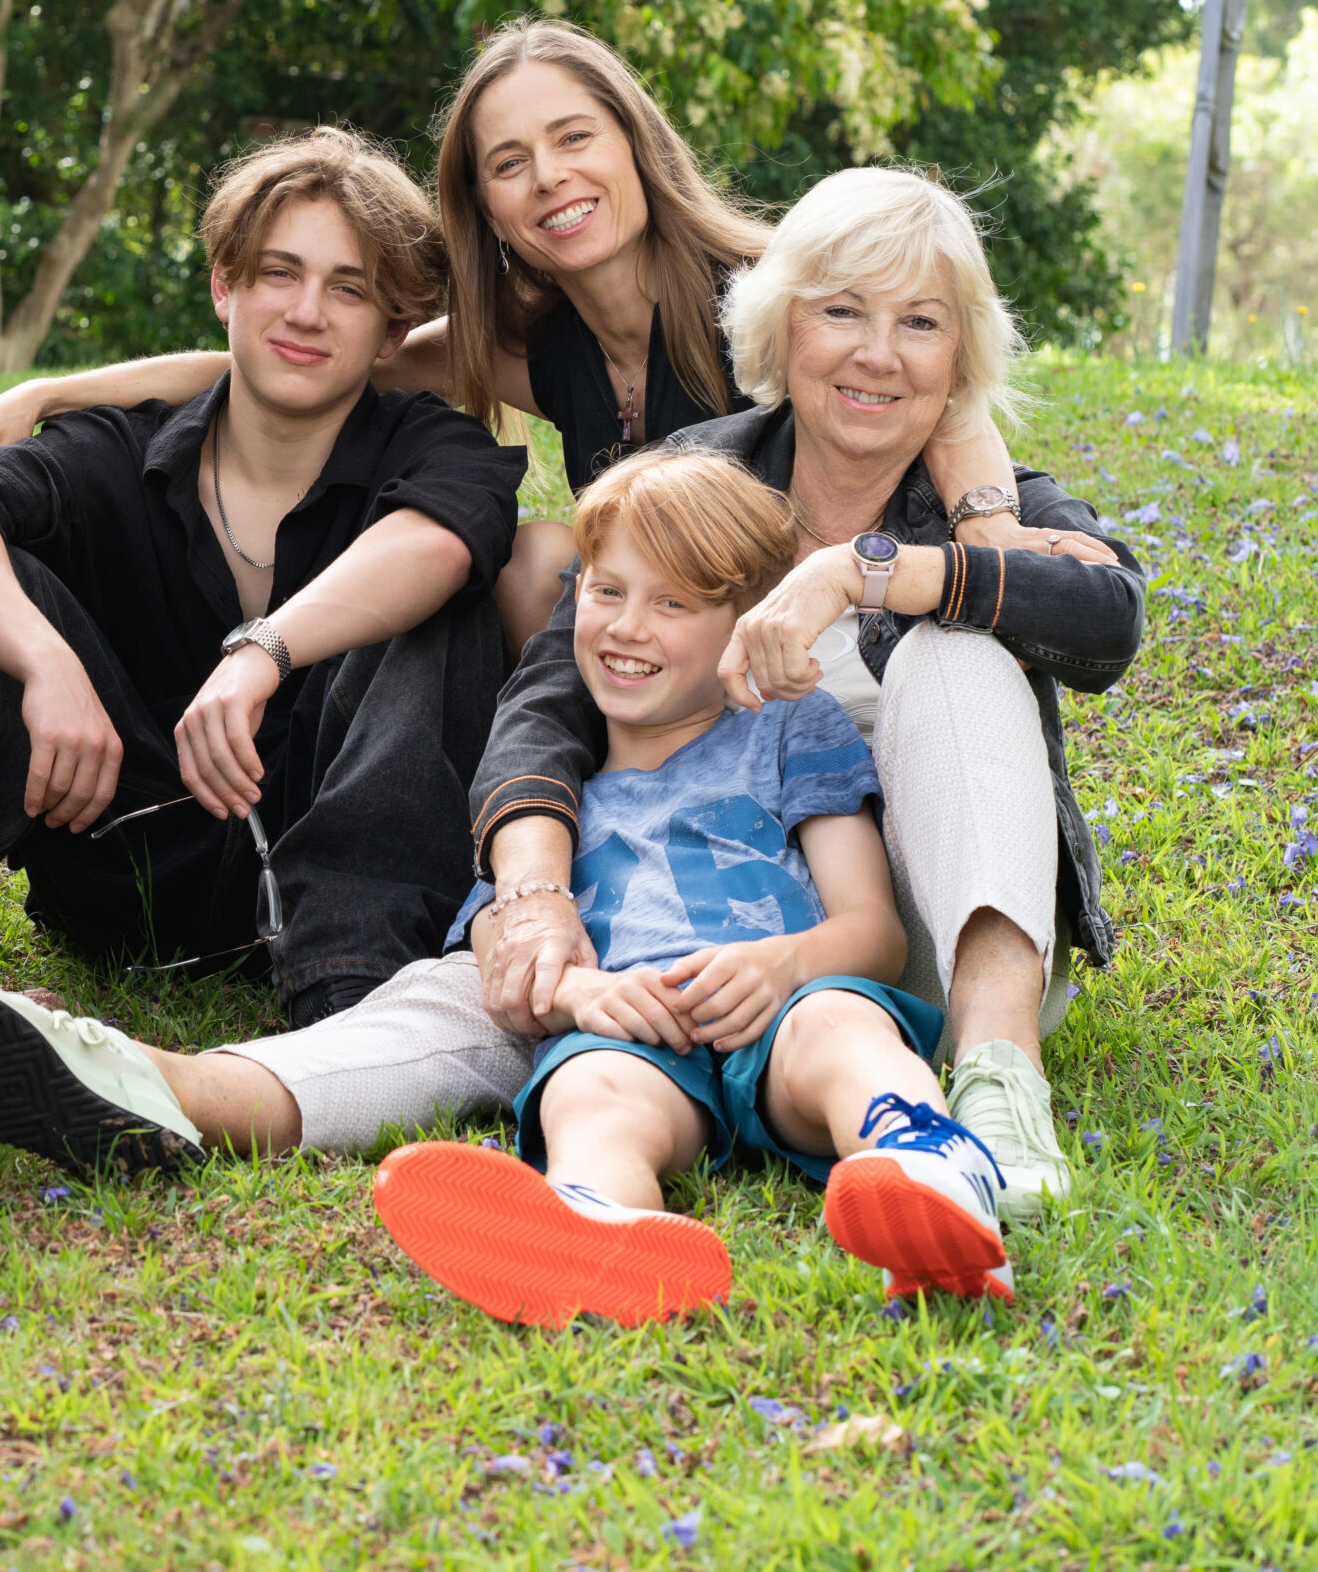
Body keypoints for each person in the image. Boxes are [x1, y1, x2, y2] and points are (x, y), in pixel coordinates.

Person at [0, 167, 1142, 1215]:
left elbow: (1105, 619)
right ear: (785, 328)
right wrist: (534, 898)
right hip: (646, 932)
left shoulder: (995, 507)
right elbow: (549, 692)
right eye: (841, 313)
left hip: (872, 953)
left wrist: (865, 572)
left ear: (959, 355)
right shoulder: (692, 480)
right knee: (477, 994)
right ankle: (173, 1088)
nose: (877, 354)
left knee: (958, 647)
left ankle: (993, 1082)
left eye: (920, 325)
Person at [0, 20, 1055, 655]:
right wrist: (53, 392)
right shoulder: (533, 346)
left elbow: (929, 384)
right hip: (668, 641)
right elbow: (306, 365)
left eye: (573, 138)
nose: (550, 178)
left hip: (822, 625)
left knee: (544, 556)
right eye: (508, 163)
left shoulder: (761, 293)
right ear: (484, 205)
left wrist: (991, 520)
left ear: (633, 143)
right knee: (533, 560)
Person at [0, 126, 525, 1064]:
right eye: (278, 274)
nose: (306, 312)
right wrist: (44, 660)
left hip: (335, 852)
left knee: (446, 600)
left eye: (347, 289)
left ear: (391, 333)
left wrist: (263, 650)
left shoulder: (434, 447)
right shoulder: (120, 446)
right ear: (226, 286)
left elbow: (443, 536)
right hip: (124, 859)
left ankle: (348, 1005)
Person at [367, 448, 1007, 1329]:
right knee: (588, 1093)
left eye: (672, 602)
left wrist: (785, 966)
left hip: (782, 1015)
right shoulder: (549, 787)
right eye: (606, 590)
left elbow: (874, 929)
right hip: (643, 1039)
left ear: (746, 620)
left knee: (841, 1027)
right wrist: (588, 993)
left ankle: (929, 1170)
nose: (628, 626)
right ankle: (599, 1224)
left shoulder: (786, 728)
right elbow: (506, 943)